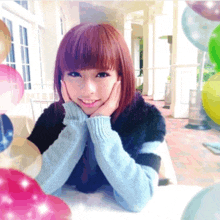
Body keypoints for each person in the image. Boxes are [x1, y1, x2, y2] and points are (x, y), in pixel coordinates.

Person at [27, 22, 166, 212]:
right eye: (75, 74)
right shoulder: (52, 117)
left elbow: (138, 198)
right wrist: (75, 129)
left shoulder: (147, 118)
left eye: (102, 74)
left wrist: (100, 127)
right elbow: (31, 191)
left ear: (121, 76)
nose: (88, 90)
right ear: (62, 79)